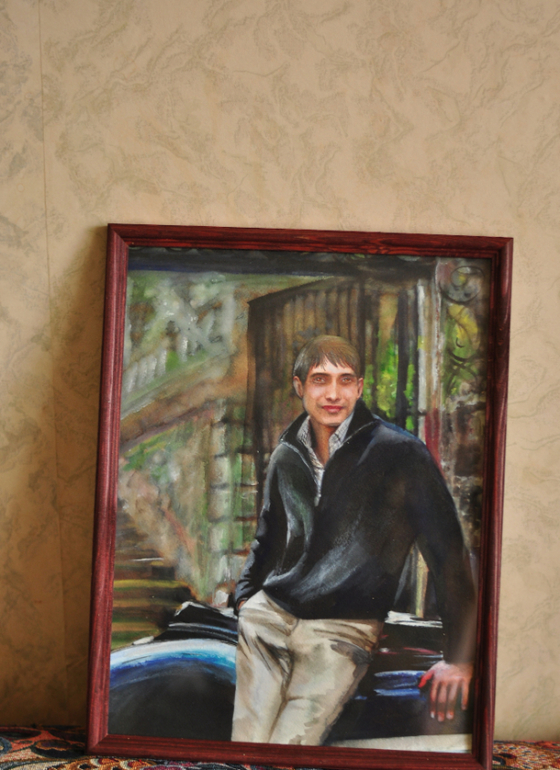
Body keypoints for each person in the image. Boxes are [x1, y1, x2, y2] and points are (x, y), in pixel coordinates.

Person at [231, 335, 476, 746]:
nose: (333, 393)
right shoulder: (286, 454)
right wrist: (245, 598)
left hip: (341, 631)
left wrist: (460, 658)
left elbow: (448, 554)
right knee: (246, 743)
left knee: (289, 747)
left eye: (345, 380)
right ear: (299, 386)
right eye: (320, 379)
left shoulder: (402, 454)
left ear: (360, 387)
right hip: (268, 620)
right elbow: (268, 536)